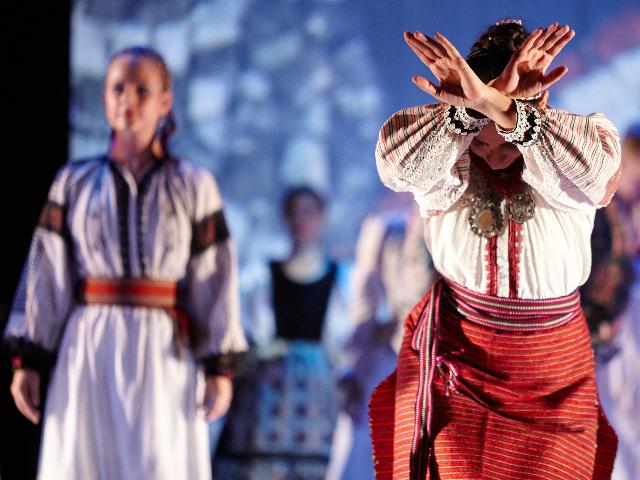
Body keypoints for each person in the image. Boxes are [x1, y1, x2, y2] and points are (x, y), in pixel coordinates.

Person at [370, 20, 621, 480]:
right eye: (480, 141)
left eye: (504, 139)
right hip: (462, 363)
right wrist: (467, 114)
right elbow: (393, 165)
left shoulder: (574, 144)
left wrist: (506, 110)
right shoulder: (449, 159)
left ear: (539, 103)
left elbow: (596, 172)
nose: (494, 154)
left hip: (553, 373)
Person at [4, 46, 247, 480]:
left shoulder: (193, 185)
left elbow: (215, 276)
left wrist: (219, 367)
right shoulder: (75, 182)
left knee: (157, 461)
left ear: (165, 102)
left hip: (162, 349)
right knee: (83, 461)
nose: (127, 100)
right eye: (117, 88)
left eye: (141, 90)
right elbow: (47, 270)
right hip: (89, 345)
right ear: (104, 97)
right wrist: (29, 360)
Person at [214, 186, 350, 480]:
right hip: (266, 394)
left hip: (315, 400)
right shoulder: (264, 276)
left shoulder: (338, 278)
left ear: (322, 218)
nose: (301, 220)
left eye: (309, 212)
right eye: (295, 213)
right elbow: (248, 330)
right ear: (286, 218)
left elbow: (342, 344)